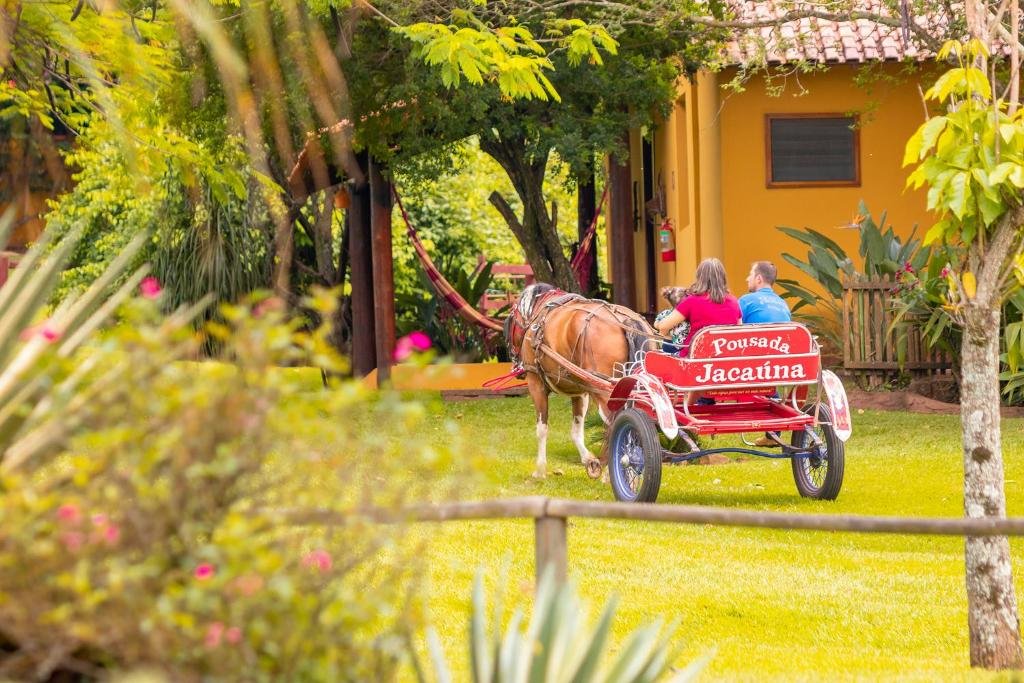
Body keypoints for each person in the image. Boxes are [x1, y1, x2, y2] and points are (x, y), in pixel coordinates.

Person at [738, 261, 792, 447]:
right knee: (768, 384)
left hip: (748, 367)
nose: (747, 278)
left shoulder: (746, 301)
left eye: (750, 275)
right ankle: (771, 436)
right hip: (777, 367)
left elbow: (733, 328)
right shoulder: (783, 304)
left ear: (759, 278)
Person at [654, 258, 741, 353]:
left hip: (695, 356)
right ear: (723, 278)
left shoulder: (692, 301)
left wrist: (658, 325)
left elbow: (664, 326)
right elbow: (739, 329)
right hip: (727, 354)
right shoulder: (734, 301)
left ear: (699, 278)